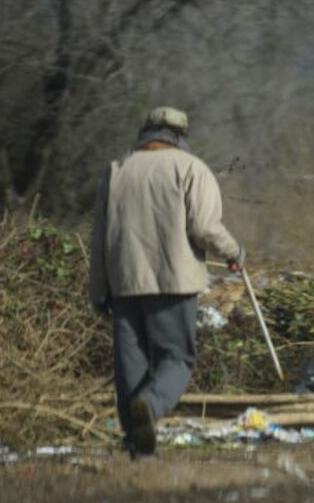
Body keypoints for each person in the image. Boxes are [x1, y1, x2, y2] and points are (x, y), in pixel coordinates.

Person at [89, 106, 244, 458]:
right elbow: (204, 228)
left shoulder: (116, 171)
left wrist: (98, 290)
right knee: (176, 360)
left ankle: (138, 447)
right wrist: (233, 250)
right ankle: (151, 404)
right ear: (179, 135)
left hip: (124, 284)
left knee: (131, 368)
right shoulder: (191, 169)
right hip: (173, 283)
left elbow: (99, 236)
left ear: (146, 132)